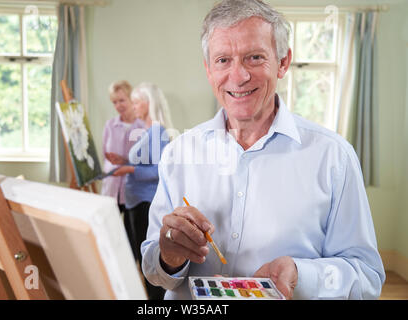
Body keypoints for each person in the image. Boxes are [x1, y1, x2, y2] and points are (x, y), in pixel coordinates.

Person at [141, 0, 385, 300]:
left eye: (254, 57)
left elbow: (367, 277)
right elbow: (154, 270)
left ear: (283, 62)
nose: (239, 76)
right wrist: (169, 256)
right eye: (223, 60)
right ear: (208, 69)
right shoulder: (178, 154)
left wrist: (300, 274)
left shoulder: (334, 157)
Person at [112, 82, 173, 300]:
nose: (134, 106)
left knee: (147, 262)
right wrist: (126, 161)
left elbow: (159, 170)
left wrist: (129, 168)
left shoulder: (157, 131)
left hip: (144, 203)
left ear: (148, 104)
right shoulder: (148, 130)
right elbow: (146, 161)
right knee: (137, 258)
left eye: (137, 102)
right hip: (135, 202)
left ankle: (156, 301)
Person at [101, 80, 145, 254]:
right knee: (108, 231)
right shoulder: (110, 125)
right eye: (114, 102)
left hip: (132, 190)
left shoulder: (142, 126)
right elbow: (104, 151)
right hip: (111, 188)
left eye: (122, 100)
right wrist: (112, 159)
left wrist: (125, 160)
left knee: (131, 237)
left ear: (131, 99)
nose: (118, 105)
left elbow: (146, 161)